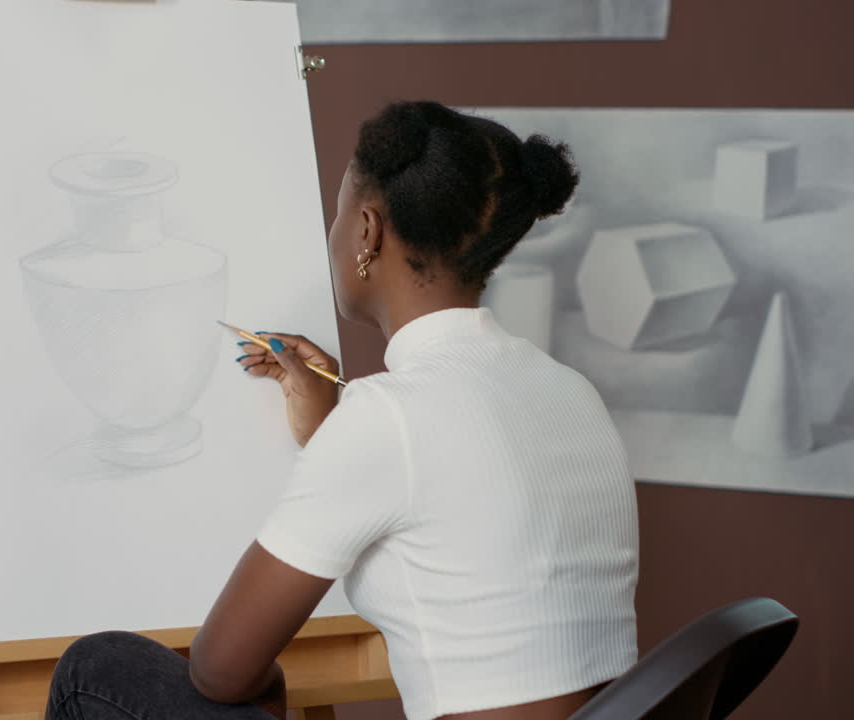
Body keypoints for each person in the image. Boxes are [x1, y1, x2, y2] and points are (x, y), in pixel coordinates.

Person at [45, 101, 638, 720]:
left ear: (367, 231)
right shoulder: (572, 393)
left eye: (338, 213)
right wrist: (333, 430)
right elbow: (463, 513)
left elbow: (219, 669)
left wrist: (264, 677)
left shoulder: (386, 421)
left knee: (95, 670)